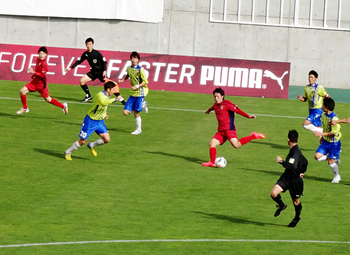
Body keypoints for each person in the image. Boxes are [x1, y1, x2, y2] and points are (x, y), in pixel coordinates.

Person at [202, 88, 265, 167]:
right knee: (211, 144)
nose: (216, 98)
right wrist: (209, 110)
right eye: (214, 96)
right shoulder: (215, 105)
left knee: (236, 145)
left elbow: (238, 110)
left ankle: (253, 136)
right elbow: (213, 107)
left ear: (222, 96)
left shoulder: (227, 104)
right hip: (221, 131)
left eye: (218, 96)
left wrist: (248, 116)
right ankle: (212, 162)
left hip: (229, 129)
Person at [65, 81, 120, 160]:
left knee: (107, 139)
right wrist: (115, 99)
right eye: (113, 89)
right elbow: (103, 102)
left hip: (99, 121)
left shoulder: (108, 95)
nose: (114, 91)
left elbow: (102, 107)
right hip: (90, 121)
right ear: (108, 89)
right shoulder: (101, 95)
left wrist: (104, 114)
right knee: (83, 141)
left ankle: (91, 145)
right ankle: (68, 151)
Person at [65, 37, 126, 104]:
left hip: (100, 73)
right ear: (86, 45)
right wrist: (71, 68)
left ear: (92, 45)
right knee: (81, 81)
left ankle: (122, 100)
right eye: (87, 44)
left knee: (110, 86)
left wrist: (104, 70)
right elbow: (79, 61)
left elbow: (104, 62)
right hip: (93, 72)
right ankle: (88, 95)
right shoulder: (85, 54)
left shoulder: (97, 53)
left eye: (90, 44)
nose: (89, 46)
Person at [270, 130, 308, 228]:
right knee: (273, 193)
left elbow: (292, 165)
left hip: (295, 181)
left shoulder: (296, 151)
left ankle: (296, 217)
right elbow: (305, 161)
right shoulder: (294, 150)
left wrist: (281, 161)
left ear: (288, 139)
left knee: (295, 201)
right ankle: (282, 205)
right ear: (297, 139)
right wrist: (302, 171)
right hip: (286, 177)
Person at [16, 46, 68, 115]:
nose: (41, 55)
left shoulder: (44, 63)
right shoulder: (38, 60)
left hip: (41, 84)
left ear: (46, 55)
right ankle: (25, 108)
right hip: (35, 82)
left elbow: (43, 75)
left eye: (43, 54)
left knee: (48, 99)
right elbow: (38, 70)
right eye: (40, 53)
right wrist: (34, 75)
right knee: (22, 91)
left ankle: (63, 106)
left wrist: (34, 72)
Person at [118, 51, 149, 135]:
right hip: (132, 94)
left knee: (136, 113)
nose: (133, 60)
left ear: (138, 60)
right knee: (125, 112)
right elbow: (128, 75)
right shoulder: (129, 68)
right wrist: (123, 80)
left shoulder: (140, 69)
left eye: (135, 58)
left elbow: (145, 82)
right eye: (132, 58)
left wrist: (138, 86)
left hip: (139, 94)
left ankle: (138, 130)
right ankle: (143, 104)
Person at [313, 97, 342, 183]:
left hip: (334, 144)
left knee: (330, 162)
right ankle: (333, 158)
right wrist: (322, 137)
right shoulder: (323, 116)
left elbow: (334, 133)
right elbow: (325, 128)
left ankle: (337, 176)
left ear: (326, 107)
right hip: (326, 141)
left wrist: (320, 134)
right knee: (317, 157)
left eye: (323, 105)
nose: (321, 106)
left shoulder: (335, 119)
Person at [297, 70, 329, 134]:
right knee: (317, 127)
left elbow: (327, 96)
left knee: (305, 124)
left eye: (312, 77)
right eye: (309, 77)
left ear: (316, 78)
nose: (310, 79)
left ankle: (321, 132)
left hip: (318, 110)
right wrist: (301, 99)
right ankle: (322, 138)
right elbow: (305, 98)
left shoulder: (319, 87)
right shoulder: (306, 87)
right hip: (311, 110)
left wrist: (326, 107)